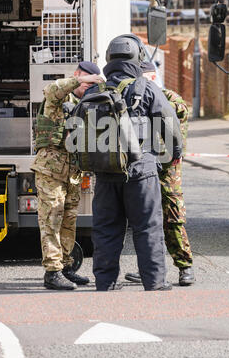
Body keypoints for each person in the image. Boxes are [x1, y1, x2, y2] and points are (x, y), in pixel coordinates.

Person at [83, 34, 183, 291]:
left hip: (105, 174)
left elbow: (75, 128)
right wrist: (172, 155)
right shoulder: (146, 88)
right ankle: (155, 282)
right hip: (142, 173)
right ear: (139, 58)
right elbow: (170, 128)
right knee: (148, 227)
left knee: (106, 230)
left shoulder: (95, 91)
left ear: (108, 59)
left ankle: (104, 283)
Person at [31, 61, 103, 290]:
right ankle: (52, 272)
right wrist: (81, 81)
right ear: (78, 77)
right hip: (50, 171)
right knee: (51, 220)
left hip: (72, 172)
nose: (87, 88)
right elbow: (53, 88)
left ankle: (66, 267)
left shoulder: (85, 105)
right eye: (85, 81)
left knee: (68, 222)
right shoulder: (58, 98)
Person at [125, 61, 195, 286]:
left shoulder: (171, 100)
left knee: (173, 217)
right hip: (146, 164)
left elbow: (175, 130)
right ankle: (150, 268)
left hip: (167, 167)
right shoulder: (136, 98)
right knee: (146, 219)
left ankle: (185, 267)